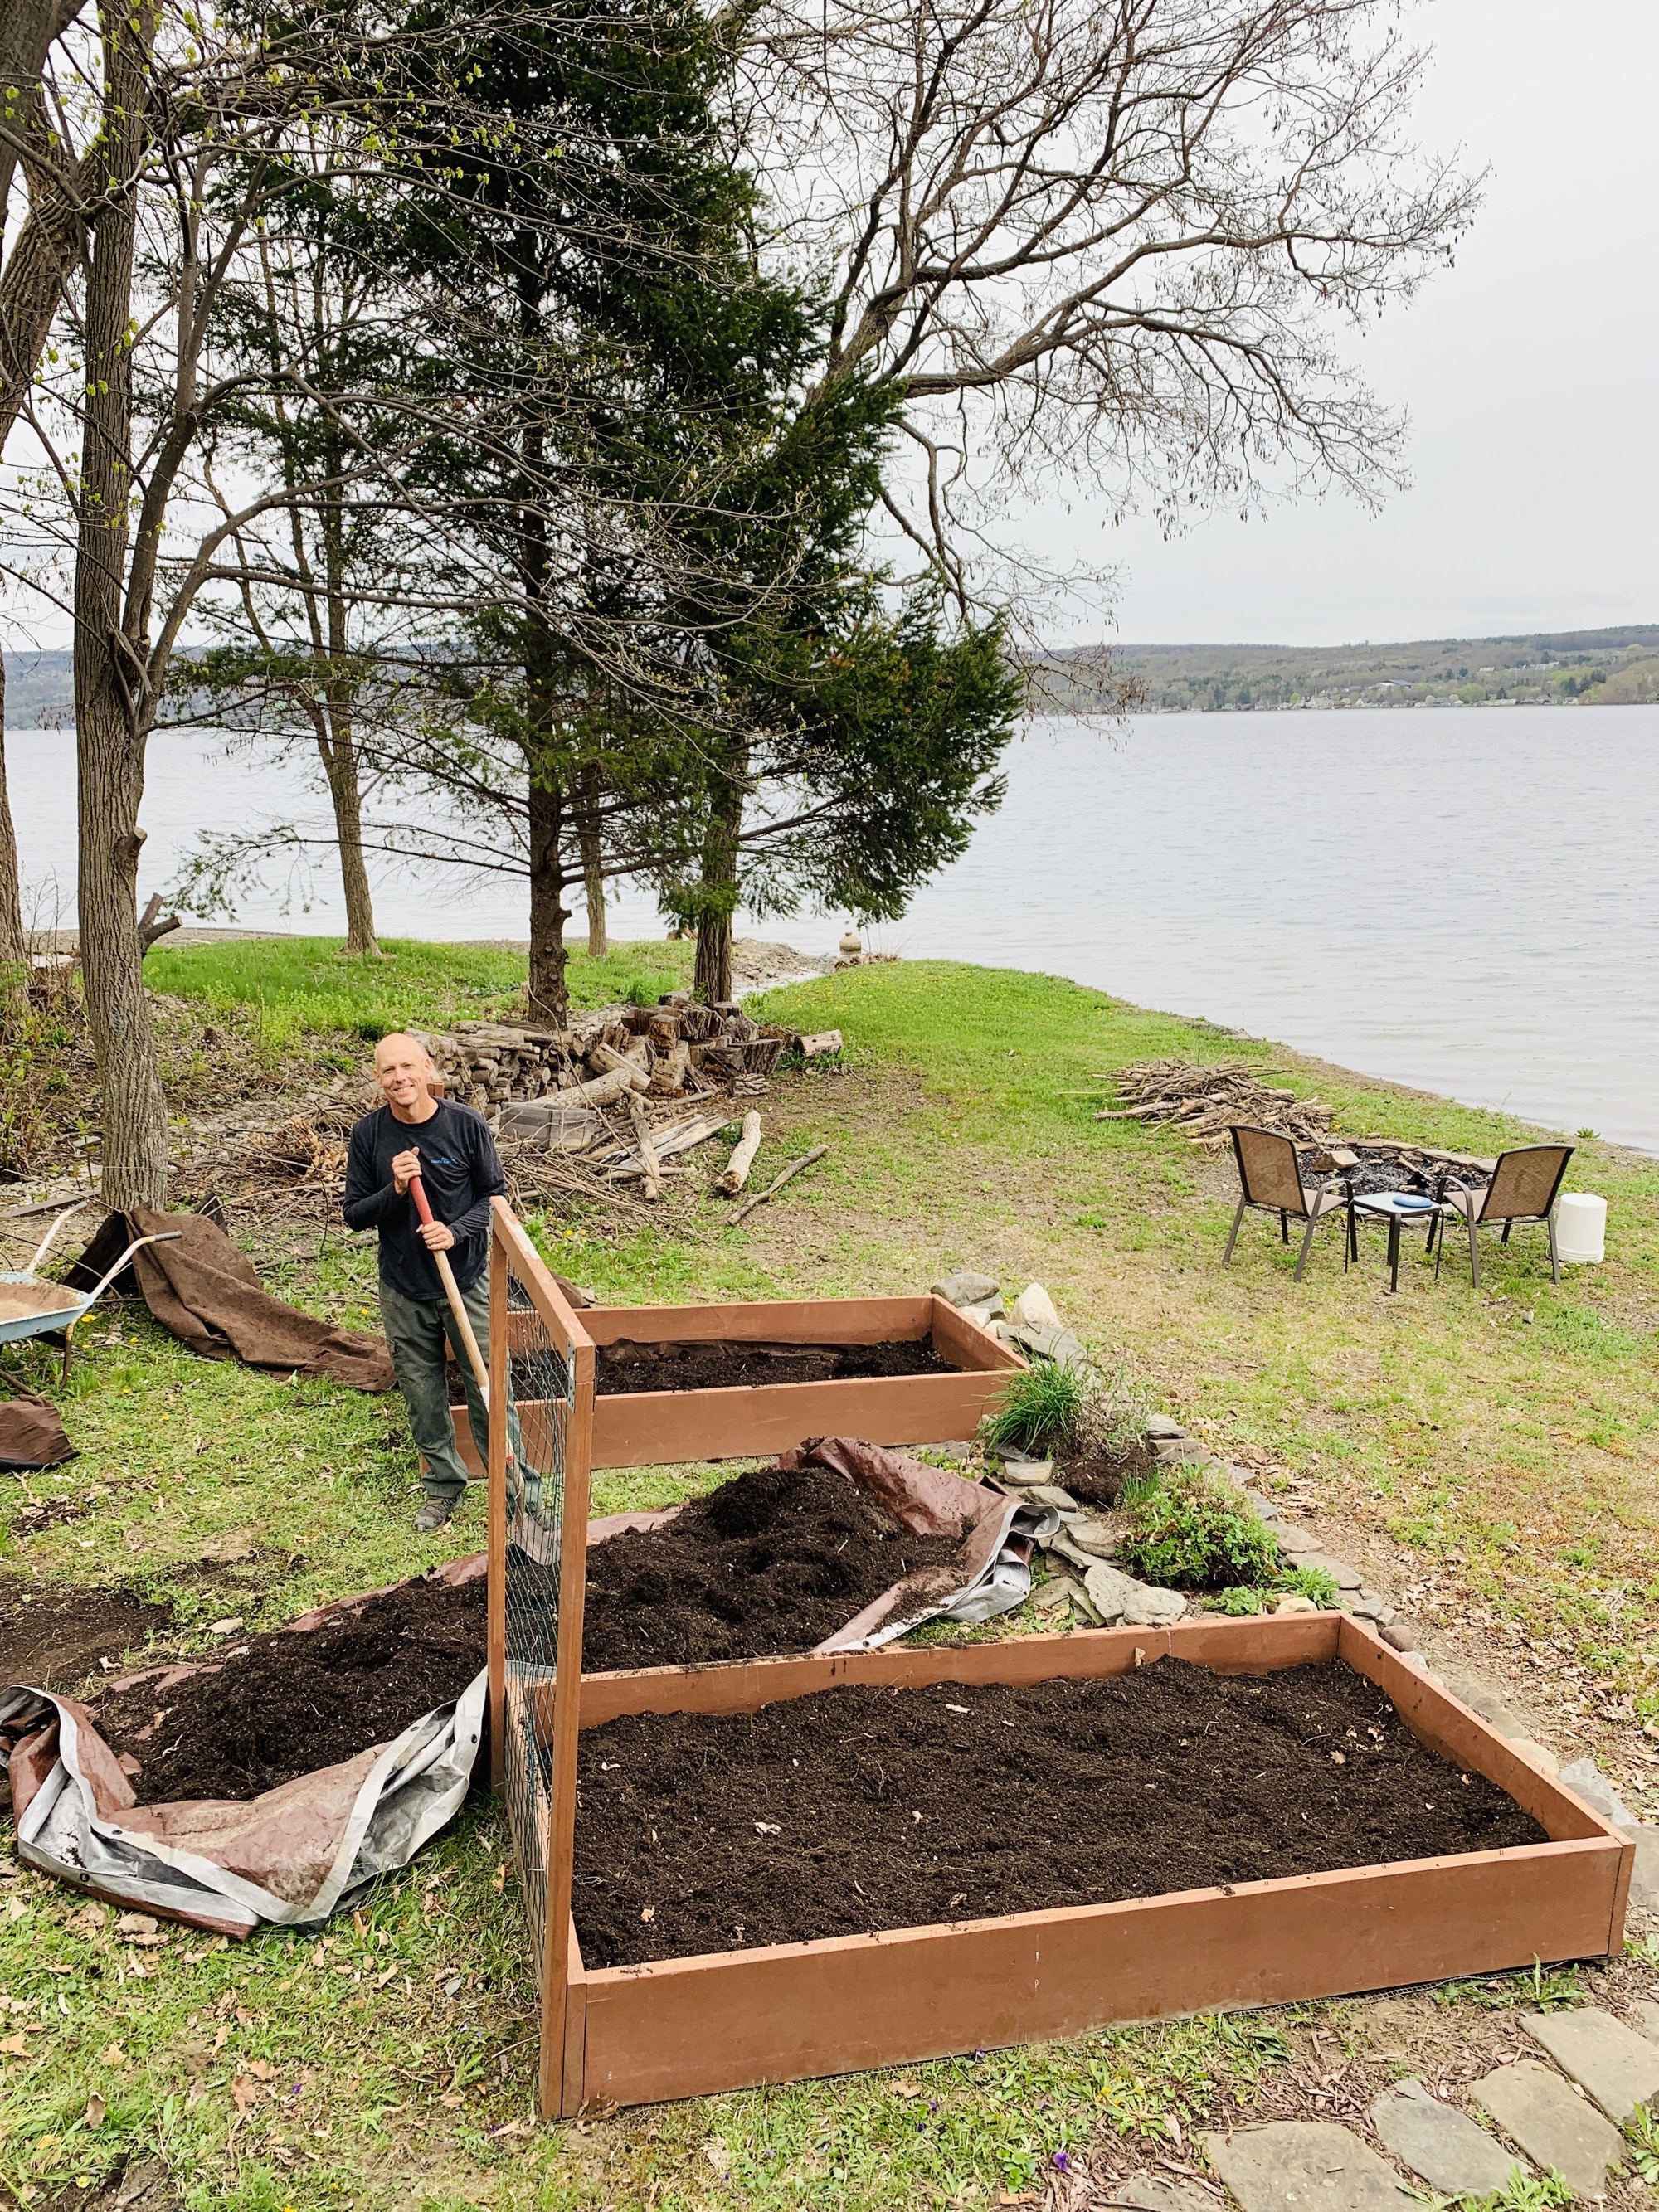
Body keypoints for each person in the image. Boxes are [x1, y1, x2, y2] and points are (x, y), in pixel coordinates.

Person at [343, 1033, 505, 1532]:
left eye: (408, 1066)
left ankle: (512, 1485)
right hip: (403, 1288)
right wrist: (393, 1189)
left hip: (465, 1281)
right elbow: (354, 1215)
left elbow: (494, 1198)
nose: (399, 1078)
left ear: (428, 1068)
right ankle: (442, 1486)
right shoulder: (369, 1136)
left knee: (487, 1388)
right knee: (422, 1393)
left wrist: (454, 1232)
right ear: (379, 1078)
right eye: (388, 1070)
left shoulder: (463, 1125)